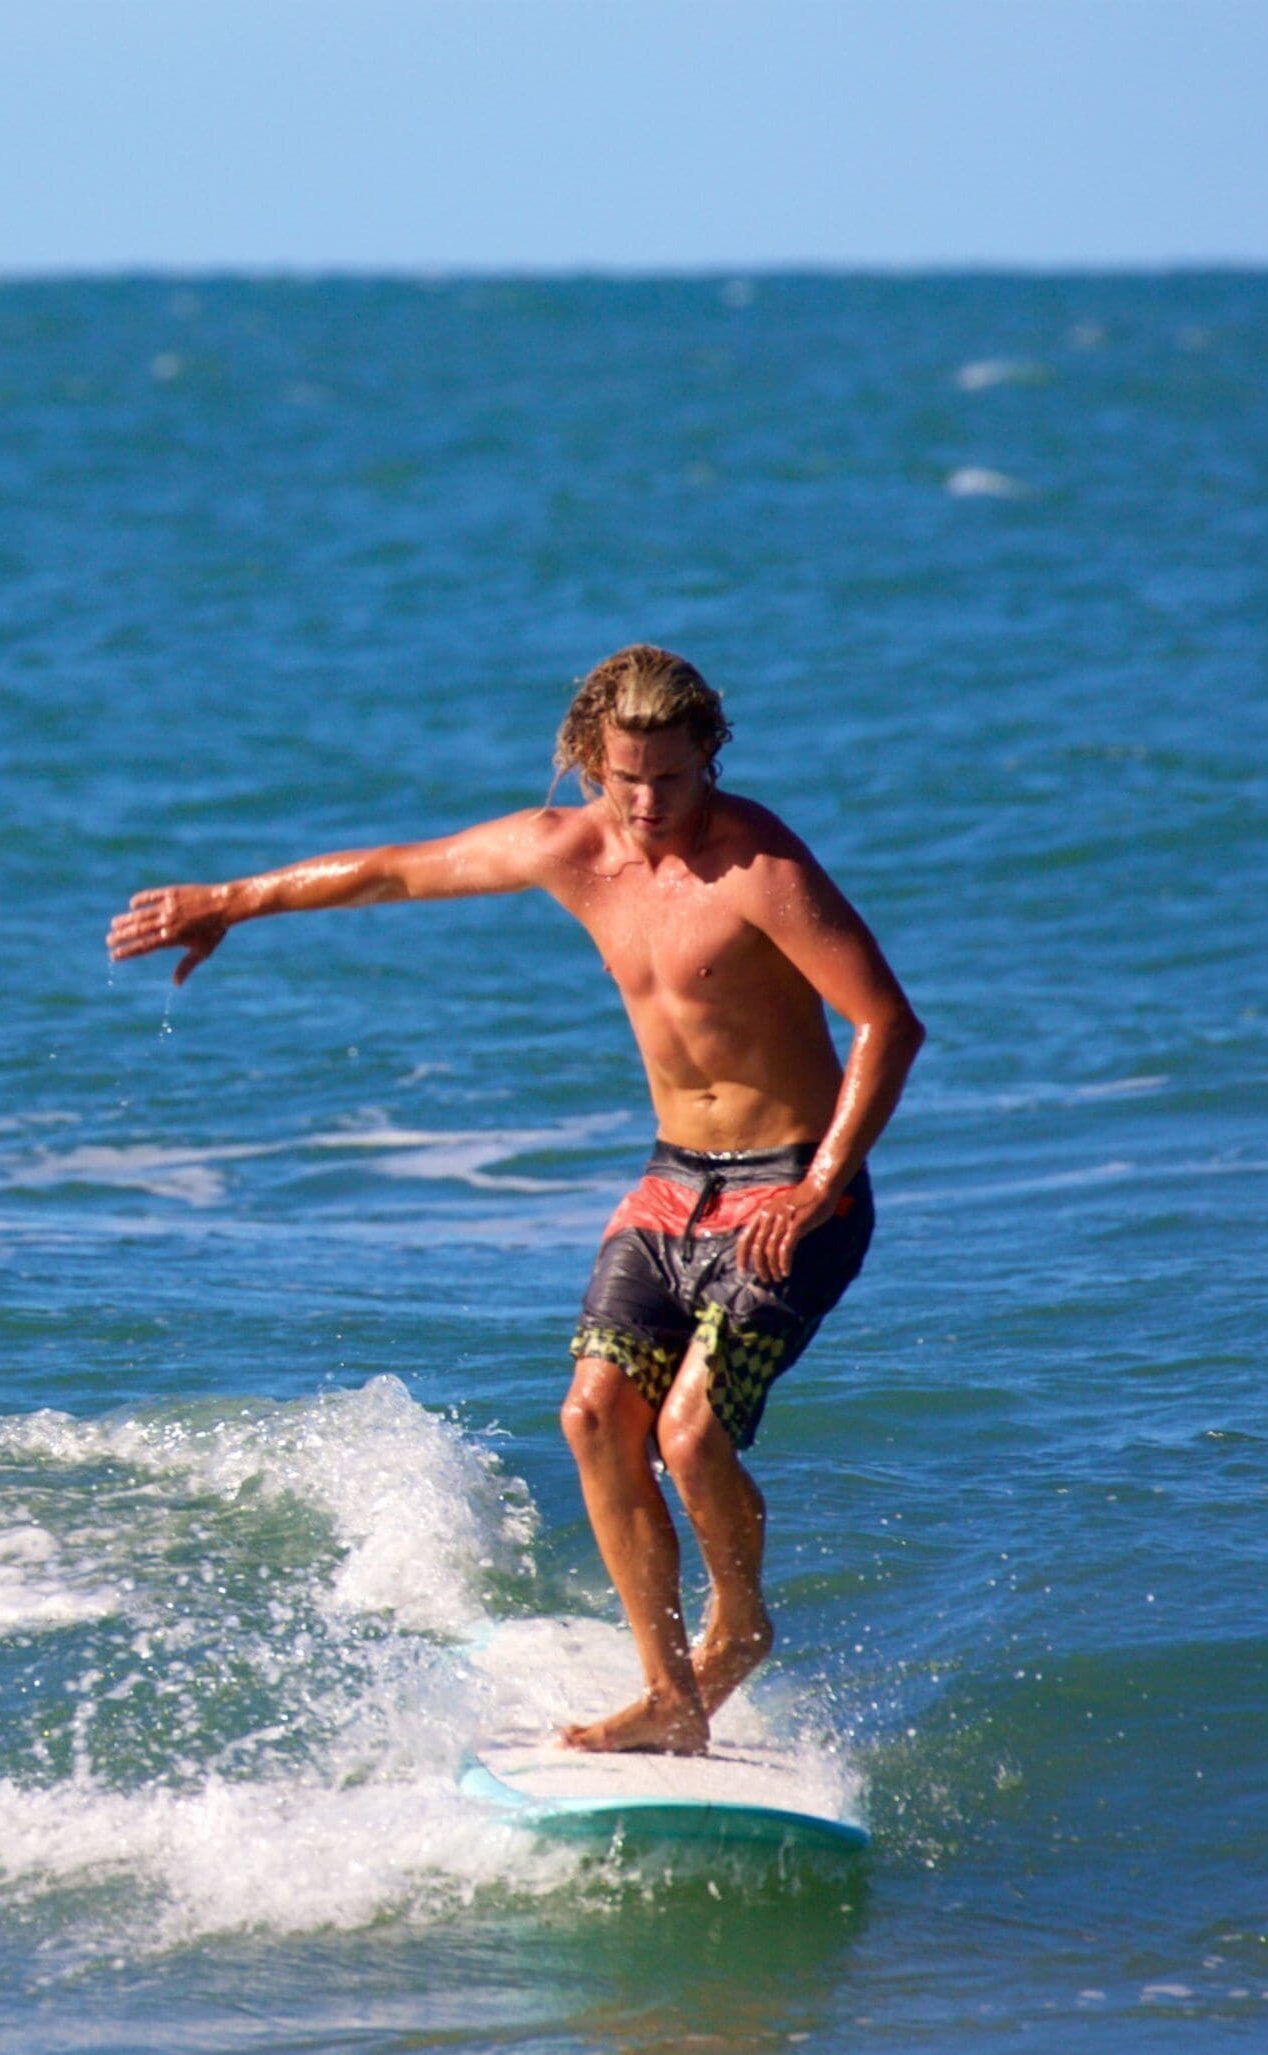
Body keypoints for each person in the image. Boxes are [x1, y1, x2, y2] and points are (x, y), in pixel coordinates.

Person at [104, 646, 923, 1754]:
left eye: (672, 781)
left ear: (710, 761)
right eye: (626, 779)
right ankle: (671, 1698)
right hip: (672, 1182)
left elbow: (886, 1024)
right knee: (592, 1418)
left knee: (688, 1436)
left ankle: (740, 1628)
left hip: (789, 1188)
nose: (647, 806)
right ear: (591, 760)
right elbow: (395, 871)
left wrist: (821, 1187)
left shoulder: (761, 868)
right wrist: (230, 902)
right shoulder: (568, 851)